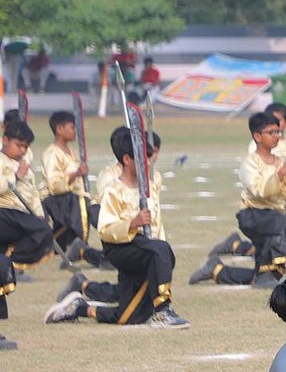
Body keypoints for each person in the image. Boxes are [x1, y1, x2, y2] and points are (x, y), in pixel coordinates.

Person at [47, 126, 190, 328]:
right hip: (121, 248)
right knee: (161, 251)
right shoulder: (113, 189)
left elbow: (156, 223)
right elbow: (105, 229)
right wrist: (132, 223)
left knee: (130, 316)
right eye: (144, 159)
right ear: (127, 160)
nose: (149, 163)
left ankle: (80, 308)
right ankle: (162, 311)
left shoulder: (149, 186)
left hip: (145, 249)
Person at [232, 112, 286, 288]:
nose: (276, 136)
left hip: (274, 214)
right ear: (257, 136)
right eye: (271, 132)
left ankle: (217, 270)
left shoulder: (280, 161)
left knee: (263, 259)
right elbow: (260, 191)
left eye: (278, 132)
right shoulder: (250, 163)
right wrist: (283, 170)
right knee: (281, 224)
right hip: (253, 214)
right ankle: (273, 272)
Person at [40, 111, 105, 267]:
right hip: (56, 200)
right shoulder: (52, 153)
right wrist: (76, 174)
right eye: (72, 127)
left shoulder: (72, 152)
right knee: (83, 204)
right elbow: (54, 185)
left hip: (71, 198)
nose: (75, 131)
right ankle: (80, 248)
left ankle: (73, 249)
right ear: (59, 129)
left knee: (92, 206)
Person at [0, 117, 55, 271]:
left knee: (43, 229)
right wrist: (16, 176)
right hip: (4, 211)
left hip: (19, 214)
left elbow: (32, 192)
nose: (23, 150)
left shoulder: (23, 165)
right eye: (19, 145)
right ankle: (9, 261)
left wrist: (39, 213)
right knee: (42, 230)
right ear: (5, 140)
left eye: (26, 146)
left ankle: (6, 263)